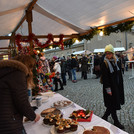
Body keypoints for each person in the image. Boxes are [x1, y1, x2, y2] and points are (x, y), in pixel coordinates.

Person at [0, 55, 40, 134]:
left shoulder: (7, 72)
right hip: (9, 124)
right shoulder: (17, 73)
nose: (31, 71)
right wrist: (33, 116)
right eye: (30, 67)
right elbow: (22, 102)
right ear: (26, 65)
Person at [101, 44, 125, 129]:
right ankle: (116, 121)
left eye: (109, 53)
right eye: (106, 53)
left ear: (113, 53)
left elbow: (119, 74)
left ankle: (104, 117)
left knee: (112, 103)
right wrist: (108, 89)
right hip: (110, 88)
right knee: (112, 104)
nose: (108, 55)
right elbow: (105, 78)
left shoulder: (116, 61)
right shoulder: (105, 63)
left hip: (116, 87)